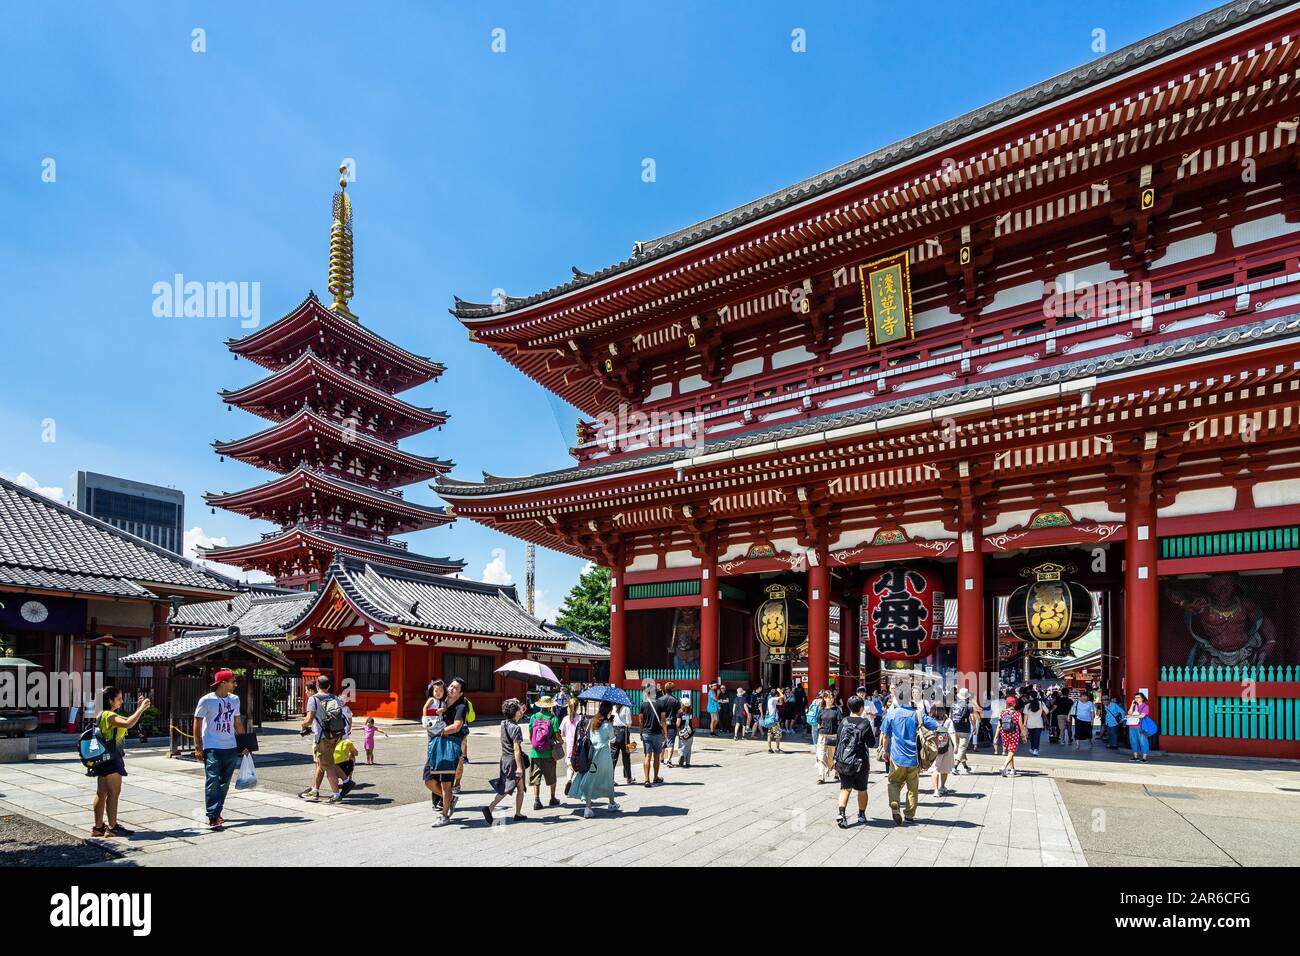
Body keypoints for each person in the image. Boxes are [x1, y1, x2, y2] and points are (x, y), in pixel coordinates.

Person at [193, 669, 252, 828]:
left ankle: (218, 812)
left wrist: (244, 744)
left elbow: (237, 722)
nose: (235, 684)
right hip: (212, 746)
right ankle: (212, 816)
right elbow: (197, 723)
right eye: (233, 681)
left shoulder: (235, 700)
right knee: (212, 781)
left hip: (230, 746)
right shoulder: (206, 700)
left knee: (224, 782)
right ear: (223, 683)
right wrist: (198, 747)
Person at [90, 685, 150, 837]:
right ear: (110, 700)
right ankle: (113, 827)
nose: (121, 701)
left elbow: (129, 720)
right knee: (114, 793)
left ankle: (98, 828)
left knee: (102, 792)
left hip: (103, 758)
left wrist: (138, 709)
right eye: (119, 699)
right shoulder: (109, 715)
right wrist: (141, 709)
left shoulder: (103, 714)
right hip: (112, 759)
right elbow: (128, 723)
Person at [879, 687, 939, 826]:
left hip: (897, 756)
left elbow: (886, 736)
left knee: (894, 782)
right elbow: (934, 724)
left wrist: (885, 751)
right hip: (913, 758)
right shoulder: (917, 714)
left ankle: (894, 802)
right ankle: (909, 815)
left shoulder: (891, 714)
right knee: (912, 788)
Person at [426, 677, 470, 826]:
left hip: (449, 745)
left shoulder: (461, 707)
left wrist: (439, 731)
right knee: (429, 779)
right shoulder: (441, 700)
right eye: (451, 686)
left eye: (455, 688)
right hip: (435, 744)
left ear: (460, 693)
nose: (451, 689)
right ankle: (450, 799)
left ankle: (444, 815)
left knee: (446, 784)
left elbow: (457, 726)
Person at [299, 674, 347, 804]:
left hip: (322, 736)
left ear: (317, 686)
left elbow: (309, 720)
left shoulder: (313, 699)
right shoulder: (335, 698)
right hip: (335, 734)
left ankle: (336, 794)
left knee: (328, 765)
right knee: (325, 762)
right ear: (329, 686)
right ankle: (315, 790)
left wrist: (303, 725)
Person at [834, 695, 876, 828]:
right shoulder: (865, 723)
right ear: (862, 708)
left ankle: (841, 813)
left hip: (844, 760)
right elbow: (871, 743)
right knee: (862, 789)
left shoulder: (844, 721)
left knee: (845, 789)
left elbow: (838, 739)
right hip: (860, 762)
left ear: (848, 707)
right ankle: (861, 815)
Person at [484, 698, 528, 823]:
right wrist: (519, 767)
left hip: (504, 759)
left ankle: (518, 813)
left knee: (516, 787)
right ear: (516, 712)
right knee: (509, 787)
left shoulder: (503, 723)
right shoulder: (516, 728)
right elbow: (517, 749)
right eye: (519, 709)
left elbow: (512, 715)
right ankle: (490, 807)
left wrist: (517, 707)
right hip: (513, 761)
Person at [572, 701, 618, 817]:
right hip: (603, 754)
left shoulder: (592, 721)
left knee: (591, 778)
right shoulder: (607, 725)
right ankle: (611, 802)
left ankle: (588, 807)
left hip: (592, 754)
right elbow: (612, 740)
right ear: (608, 711)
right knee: (607, 777)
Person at [527, 695, 564, 808]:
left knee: (536, 776)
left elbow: (530, 733)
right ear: (549, 706)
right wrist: (561, 741)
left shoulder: (534, 717)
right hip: (549, 751)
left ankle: (537, 801)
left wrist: (536, 743)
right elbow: (557, 734)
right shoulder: (553, 718)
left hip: (535, 752)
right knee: (551, 775)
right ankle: (552, 798)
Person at [640, 681, 668, 786]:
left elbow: (641, 721)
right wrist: (665, 733)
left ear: (647, 693)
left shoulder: (643, 704)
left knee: (647, 756)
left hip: (646, 733)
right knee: (657, 756)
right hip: (657, 733)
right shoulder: (661, 704)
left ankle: (647, 780)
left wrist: (641, 732)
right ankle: (655, 777)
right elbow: (663, 720)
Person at [931, 706, 959, 797]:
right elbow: (952, 733)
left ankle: (936, 790)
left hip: (934, 747)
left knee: (935, 769)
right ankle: (942, 787)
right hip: (947, 747)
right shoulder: (948, 721)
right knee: (945, 768)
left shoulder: (931, 721)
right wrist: (955, 745)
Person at [814, 689, 840, 783]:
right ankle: (821, 777)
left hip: (833, 735)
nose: (831, 699)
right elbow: (818, 721)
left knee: (830, 757)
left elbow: (839, 723)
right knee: (821, 756)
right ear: (824, 698)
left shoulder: (836, 710)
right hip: (822, 735)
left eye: (832, 697)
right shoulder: (821, 710)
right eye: (828, 697)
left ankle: (833, 767)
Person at [997, 696, 1026, 777]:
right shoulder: (1017, 714)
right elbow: (1021, 726)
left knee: (1010, 751)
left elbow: (1000, 724)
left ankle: (1012, 769)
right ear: (1015, 704)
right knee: (1012, 751)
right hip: (1014, 733)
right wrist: (1024, 736)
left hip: (1004, 733)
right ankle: (1004, 766)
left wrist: (996, 736)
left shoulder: (1002, 713)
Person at [950, 687, 975, 774]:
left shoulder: (953, 704)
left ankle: (965, 766)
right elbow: (972, 717)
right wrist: (974, 727)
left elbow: (950, 717)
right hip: (965, 729)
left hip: (955, 728)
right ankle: (955, 767)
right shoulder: (969, 705)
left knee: (961, 748)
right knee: (962, 748)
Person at [560, 697, 582, 796]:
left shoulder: (565, 719)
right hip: (579, 745)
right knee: (580, 765)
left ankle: (569, 780)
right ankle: (579, 786)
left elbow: (562, 733)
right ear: (577, 707)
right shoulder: (581, 718)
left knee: (570, 766)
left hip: (569, 745)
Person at [610, 700, 634, 785]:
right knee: (626, 756)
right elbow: (629, 723)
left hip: (614, 733)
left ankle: (611, 779)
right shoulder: (626, 709)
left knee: (613, 757)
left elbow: (611, 721)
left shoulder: (612, 708)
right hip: (624, 734)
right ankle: (629, 778)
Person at [659, 683, 682, 766]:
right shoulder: (675, 700)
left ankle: (661, 758)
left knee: (662, 741)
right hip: (672, 723)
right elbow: (679, 713)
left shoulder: (660, 699)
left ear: (665, 689)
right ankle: (669, 760)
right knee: (670, 742)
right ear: (672, 689)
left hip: (662, 724)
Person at [1127, 692, 1152, 762]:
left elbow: (1142, 716)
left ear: (1142, 698)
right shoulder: (1135, 706)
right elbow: (1129, 713)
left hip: (1141, 727)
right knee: (1133, 741)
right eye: (1135, 698)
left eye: (1138, 697)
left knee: (1143, 741)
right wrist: (1132, 705)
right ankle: (1135, 756)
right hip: (1132, 726)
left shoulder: (1145, 706)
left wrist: (1131, 716)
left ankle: (1144, 757)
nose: (1136, 699)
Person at [764, 687, 785, 753]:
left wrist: (780, 697)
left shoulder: (772, 699)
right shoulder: (772, 699)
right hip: (774, 721)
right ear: (776, 694)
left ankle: (769, 749)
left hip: (771, 720)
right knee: (778, 735)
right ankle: (777, 749)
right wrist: (779, 691)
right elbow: (783, 696)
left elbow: (781, 703)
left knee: (770, 734)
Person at [676, 701, 696, 768]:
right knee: (689, 748)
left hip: (682, 732)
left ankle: (682, 755)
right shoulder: (691, 711)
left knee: (681, 746)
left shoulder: (680, 713)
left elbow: (678, 724)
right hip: (690, 732)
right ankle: (688, 762)